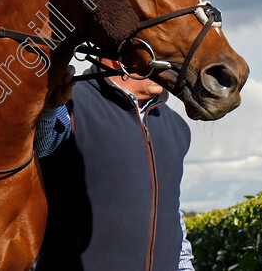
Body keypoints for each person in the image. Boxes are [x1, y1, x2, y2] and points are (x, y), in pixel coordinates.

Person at [34, 60, 195, 270]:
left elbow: (173, 214)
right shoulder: (69, 103)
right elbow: (40, 147)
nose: (169, 64)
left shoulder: (177, 127)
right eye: (159, 53)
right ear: (120, 57)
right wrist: (49, 109)